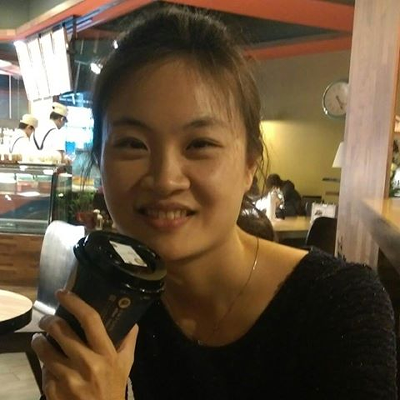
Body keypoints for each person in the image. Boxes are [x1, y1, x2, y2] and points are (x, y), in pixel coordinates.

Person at [31, 5, 396, 400]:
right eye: (133, 144)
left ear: (250, 164)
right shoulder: (113, 293)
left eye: (199, 144)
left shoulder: (340, 307)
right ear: (99, 161)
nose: (165, 179)